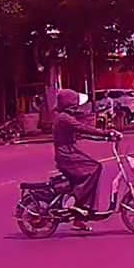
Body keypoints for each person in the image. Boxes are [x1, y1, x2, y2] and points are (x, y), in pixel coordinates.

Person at [54, 88, 120, 231]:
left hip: (69, 152)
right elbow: (83, 128)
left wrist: (105, 137)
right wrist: (106, 133)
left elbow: (84, 134)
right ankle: (74, 199)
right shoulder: (64, 119)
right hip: (67, 154)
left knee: (92, 169)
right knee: (94, 168)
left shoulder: (64, 118)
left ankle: (79, 216)